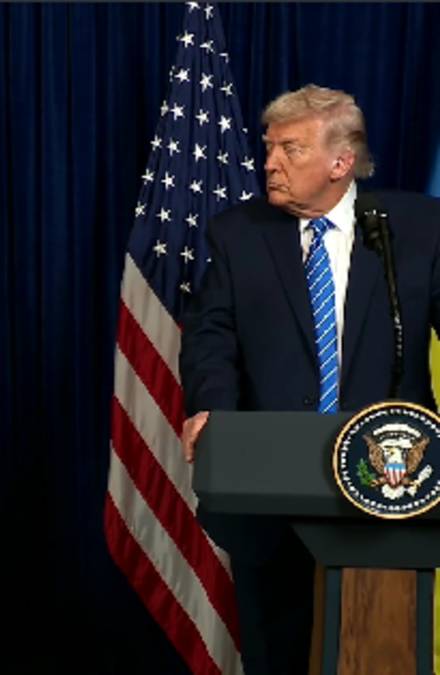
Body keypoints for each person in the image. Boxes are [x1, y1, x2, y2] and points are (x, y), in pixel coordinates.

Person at [179, 84, 440, 674]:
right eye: (269, 147)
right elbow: (211, 335)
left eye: (290, 149)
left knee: (381, 642)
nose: (270, 162)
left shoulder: (419, 228)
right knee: (277, 651)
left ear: (340, 162)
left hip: (389, 481)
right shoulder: (239, 233)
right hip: (269, 485)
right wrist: (211, 406)